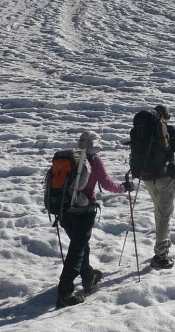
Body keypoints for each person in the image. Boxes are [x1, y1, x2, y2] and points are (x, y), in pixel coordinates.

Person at [55, 131, 131, 309]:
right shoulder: (94, 161)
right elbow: (106, 184)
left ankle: (89, 277)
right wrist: (124, 188)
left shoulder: (68, 159)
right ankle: (65, 292)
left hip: (64, 209)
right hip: (84, 210)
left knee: (80, 246)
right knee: (77, 250)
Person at [142, 104, 175, 269]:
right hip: (165, 177)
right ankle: (161, 253)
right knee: (164, 213)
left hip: (146, 177)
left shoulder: (144, 130)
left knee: (158, 209)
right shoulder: (170, 131)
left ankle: (161, 243)